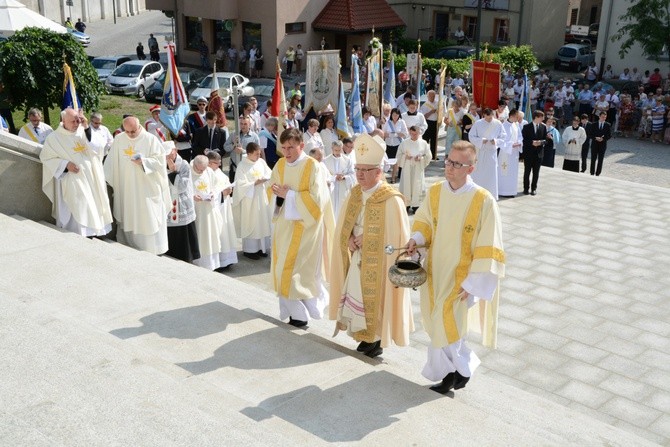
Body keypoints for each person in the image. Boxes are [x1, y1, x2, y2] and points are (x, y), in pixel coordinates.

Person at [405, 140, 505, 394]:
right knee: (435, 321)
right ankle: (462, 368)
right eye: (448, 161)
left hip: (462, 276)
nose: (449, 168)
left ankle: (452, 373)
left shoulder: (483, 201)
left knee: (446, 323)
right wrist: (415, 240)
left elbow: (489, 244)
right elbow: (425, 221)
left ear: (470, 169)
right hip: (435, 270)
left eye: (457, 164)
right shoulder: (436, 192)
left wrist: (473, 284)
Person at [330, 133, 414, 359]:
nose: (359, 175)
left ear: (379, 172)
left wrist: (369, 238)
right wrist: (347, 238)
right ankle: (364, 336)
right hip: (357, 257)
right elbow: (344, 223)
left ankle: (376, 338)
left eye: (365, 171)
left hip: (379, 262)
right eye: (357, 169)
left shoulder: (392, 199)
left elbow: (398, 239)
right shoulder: (355, 192)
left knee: (377, 300)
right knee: (356, 296)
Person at [267, 128, 334, 328]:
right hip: (283, 228)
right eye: (284, 148)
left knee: (294, 274)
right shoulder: (279, 165)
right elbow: (272, 192)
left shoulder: (313, 167)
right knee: (282, 272)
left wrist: (289, 195)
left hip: (305, 231)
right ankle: (300, 312)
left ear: (302, 146)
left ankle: (303, 313)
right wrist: (278, 195)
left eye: (291, 148)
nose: (287, 153)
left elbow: (318, 202)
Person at [39, 108, 112, 237]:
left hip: (91, 178)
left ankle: (90, 234)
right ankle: (76, 233)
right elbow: (46, 158)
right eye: (73, 121)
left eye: (78, 120)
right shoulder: (54, 138)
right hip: (71, 178)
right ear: (63, 121)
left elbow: (100, 147)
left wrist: (87, 128)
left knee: (90, 206)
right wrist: (65, 165)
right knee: (79, 205)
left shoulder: (83, 131)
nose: (76, 124)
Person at [104, 116, 171, 254]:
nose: (129, 135)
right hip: (126, 187)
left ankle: (150, 249)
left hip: (146, 188)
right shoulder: (119, 139)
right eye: (127, 131)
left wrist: (144, 162)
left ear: (139, 126)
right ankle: (127, 244)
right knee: (128, 214)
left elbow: (160, 163)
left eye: (133, 131)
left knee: (147, 217)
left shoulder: (151, 139)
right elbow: (110, 164)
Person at [191, 155, 236, 270]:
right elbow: (183, 190)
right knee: (201, 237)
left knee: (211, 237)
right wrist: (192, 197)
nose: (202, 171)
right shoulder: (189, 173)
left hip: (210, 211)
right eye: (199, 169)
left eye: (203, 169)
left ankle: (212, 264)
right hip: (197, 212)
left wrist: (213, 194)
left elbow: (215, 187)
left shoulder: (209, 171)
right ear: (195, 165)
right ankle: (199, 263)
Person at [232, 142, 273, 259]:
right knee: (252, 222)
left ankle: (262, 248)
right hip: (249, 200)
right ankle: (250, 251)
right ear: (249, 154)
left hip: (261, 196)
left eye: (259, 154)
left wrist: (266, 179)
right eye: (256, 154)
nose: (258, 156)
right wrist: (254, 183)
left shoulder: (261, 162)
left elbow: (270, 174)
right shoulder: (242, 165)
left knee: (262, 221)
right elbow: (240, 184)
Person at [164, 141, 200, 263]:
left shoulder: (184, 164)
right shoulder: (162, 163)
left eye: (169, 155)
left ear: (175, 151)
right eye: (165, 156)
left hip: (182, 205)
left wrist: (173, 172)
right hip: (168, 204)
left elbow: (182, 186)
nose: (167, 158)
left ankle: (186, 258)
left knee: (184, 238)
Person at [207, 152, 238, 270]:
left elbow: (225, 183)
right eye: (217, 163)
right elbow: (207, 193)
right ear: (209, 163)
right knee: (217, 234)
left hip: (224, 209)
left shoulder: (219, 173)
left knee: (226, 233)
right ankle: (218, 261)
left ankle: (228, 259)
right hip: (214, 210)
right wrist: (221, 194)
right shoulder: (206, 174)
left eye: (220, 163)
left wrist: (229, 190)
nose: (219, 165)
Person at [469, 108, 506, 200]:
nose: (490, 120)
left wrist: (496, 141)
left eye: (491, 117)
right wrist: (481, 141)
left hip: (491, 152)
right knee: (478, 172)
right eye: (488, 118)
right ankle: (476, 192)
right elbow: (471, 136)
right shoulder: (478, 123)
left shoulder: (497, 123)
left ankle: (491, 194)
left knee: (491, 173)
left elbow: (504, 136)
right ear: (484, 115)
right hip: (480, 152)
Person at [397, 126, 431, 214]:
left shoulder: (423, 143)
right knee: (406, 185)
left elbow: (428, 156)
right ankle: (406, 205)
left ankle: (416, 205)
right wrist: (405, 157)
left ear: (419, 133)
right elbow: (399, 155)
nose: (413, 135)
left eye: (415, 134)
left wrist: (421, 158)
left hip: (418, 167)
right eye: (411, 134)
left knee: (417, 185)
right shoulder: (404, 143)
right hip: (407, 167)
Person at [323, 140, 355, 219]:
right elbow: (324, 175)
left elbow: (352, 174)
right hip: (331, 189)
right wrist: (333, 178)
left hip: (342, 188)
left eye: (339, 150)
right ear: (332, 149)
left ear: (342, 148)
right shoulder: (325, 160)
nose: (337, 152)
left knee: (342, 210)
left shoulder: (347, 160)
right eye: (335, 150)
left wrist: (344, 177)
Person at [224, 115, 259, 181]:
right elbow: (225, 147)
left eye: (245, 124)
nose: (243, 126)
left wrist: (243, 151)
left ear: (250, 124)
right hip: (234, 168)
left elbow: (257, 153)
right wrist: (233, 145)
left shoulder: (255, 137)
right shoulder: (234, 134)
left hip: (247, 169)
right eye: (241, 124)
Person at [521, 110, 547, 195]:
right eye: (541, 117)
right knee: (527, 172)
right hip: (528, 153)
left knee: (536, 173)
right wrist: (532, 142)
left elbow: (545, 140)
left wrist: (540, 142)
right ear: (536, 117)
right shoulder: (526, 127)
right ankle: (526, 188)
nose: (543, 119)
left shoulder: (543, 127)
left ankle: (533, 188)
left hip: (538, 154)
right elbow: (523, 140)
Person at [498, 109, 523, 197]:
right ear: (511, 116)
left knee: (513, 172)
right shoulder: (503, 126)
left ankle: (511, 191)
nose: (518, 119)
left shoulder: (516, 125)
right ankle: (503, 191)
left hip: (514, 153)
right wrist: (511, 145)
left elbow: (520, 136)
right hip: (506, 152)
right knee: (504, 171)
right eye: (517, 117)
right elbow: (501, 140)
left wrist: (519, 142)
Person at [383, 107, 408, 183]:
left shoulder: (402, 122)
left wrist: (394, 134)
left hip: (398, 144)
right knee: (387, 161)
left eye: (396, 115)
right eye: (393, 115)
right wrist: (396, 134)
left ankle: (393, 178)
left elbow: (405, 134)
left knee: (396, 162)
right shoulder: (388, 122)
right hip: (388, 144)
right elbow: (384, 133)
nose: (395, 117)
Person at [589, 111, 611, 176]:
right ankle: (592, 172)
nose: (603, 118)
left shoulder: (608, 125)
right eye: (602, 117)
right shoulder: (594, 124)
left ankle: (598, 173)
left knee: (600, 159)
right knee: (593, 159)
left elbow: (609, 135)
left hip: (603, 145)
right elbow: (590, 134)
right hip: (594, 144)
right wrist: (595, 138)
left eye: (605, 117)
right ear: (599, 116)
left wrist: (603, 139)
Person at [420, 90, 439, 160]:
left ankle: (434, 155)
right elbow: (424, 116)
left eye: (433, 96)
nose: (432, 97)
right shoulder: (425, 105)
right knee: (426, 140)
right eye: (431, 96)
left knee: (434, 140)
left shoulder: (437, 103)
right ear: (428, 96)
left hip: (435, 123)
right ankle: (424, 155)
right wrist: (431, 112)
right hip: (428, 122)